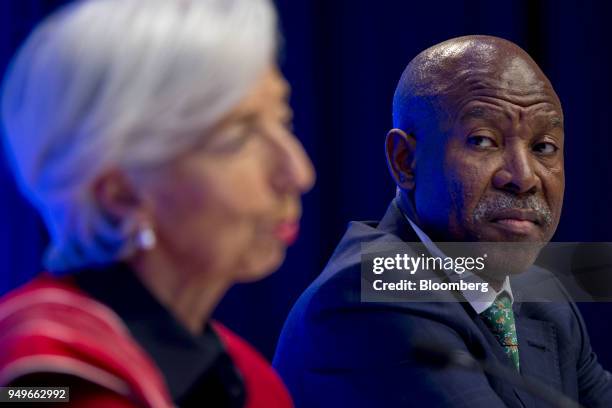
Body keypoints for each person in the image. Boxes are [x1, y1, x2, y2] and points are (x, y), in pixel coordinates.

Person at [0, 0, 314, 406]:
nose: (298, 172)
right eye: (237, 138)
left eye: (283, 120)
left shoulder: (250, 377)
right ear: (120, 194)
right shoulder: (41, 376)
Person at [273, 35, 612, 407]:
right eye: (483, 141)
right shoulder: (373, 292)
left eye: (543, 147)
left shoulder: (539, 292)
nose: (524, 177)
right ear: (405, 161)